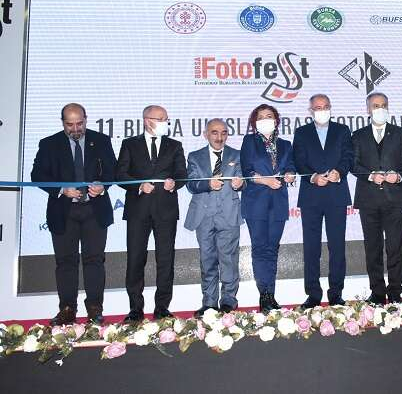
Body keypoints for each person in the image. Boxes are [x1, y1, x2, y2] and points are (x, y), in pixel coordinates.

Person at [30, 103, 117, 325]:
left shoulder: (101, 140)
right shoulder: (49, 144)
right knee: (65, 262)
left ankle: (95, 309)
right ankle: (67, 309)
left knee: (95, 260)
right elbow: (37, 175)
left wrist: (103, 186)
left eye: (79, 123)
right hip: (63, 211)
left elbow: (112, 171)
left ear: (86, 119)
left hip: (94, 210)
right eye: (70, 125)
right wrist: (61, 189)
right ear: (63, 123)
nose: (75, 129)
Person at [117, 105, 187, 323]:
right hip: (138, 210)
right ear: (147, 121)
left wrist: (174, 183)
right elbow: (120, 174)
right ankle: (135, 309)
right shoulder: (129, 144)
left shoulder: (175, 145)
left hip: (166, 210)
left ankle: (162, 308)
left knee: (165, 260)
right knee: (135, 259)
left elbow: (182, 174)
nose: (166, 122)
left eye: (167, 119)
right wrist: (138, 185)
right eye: (161, 119)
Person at [351, 92, 402, 305]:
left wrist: (399, 176)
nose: (380, 109)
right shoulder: (358, 135)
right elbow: (353, 164)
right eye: (375, 105)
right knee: (373, 248)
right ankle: (377, 293)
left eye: (384, 105)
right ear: (368, 109)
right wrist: (370, 175)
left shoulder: (401, 134)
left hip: (395, 200)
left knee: (396, 248)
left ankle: (395, 292)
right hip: (368, 200)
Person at [293, 94, 353, 309]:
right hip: (311, 196)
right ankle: (313, 294)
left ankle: (336, 294)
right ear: (310, 111)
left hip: (336, 194)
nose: (322, 110)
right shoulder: (301, 133)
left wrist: (340, 172)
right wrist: (313, 177)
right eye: (317, 107)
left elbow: (348, 156)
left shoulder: (342, 130)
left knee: (337, 247)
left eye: (326, 106)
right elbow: (298, 161)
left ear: (331, 108)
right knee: (311, 248)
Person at [185, 118, 245, 317]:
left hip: (229, 214)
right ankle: (209, 303)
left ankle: (228, 301)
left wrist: (240, 184)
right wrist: (207, 184)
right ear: (206, 134)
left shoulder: (236, 155)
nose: (220, 137)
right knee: (207, 260)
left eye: (224, 133)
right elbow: (191, 184)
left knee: (229, 260)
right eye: (214, 132)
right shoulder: (195, 156)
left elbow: (244, 180)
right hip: (203, 216)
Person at [241, 104, 296, 312]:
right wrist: (266, 181)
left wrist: (290, 174)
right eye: (261, 117)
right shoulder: (249, 142)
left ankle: (270, 294)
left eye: (269, 116)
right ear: (255, 122)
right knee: (260, 248)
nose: (265, 119)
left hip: (278, 203)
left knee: (273, 249)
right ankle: (263, 294)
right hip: (256, 202)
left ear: (276, 120)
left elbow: (291, 166)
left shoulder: (285, 144)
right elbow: (247, 171)